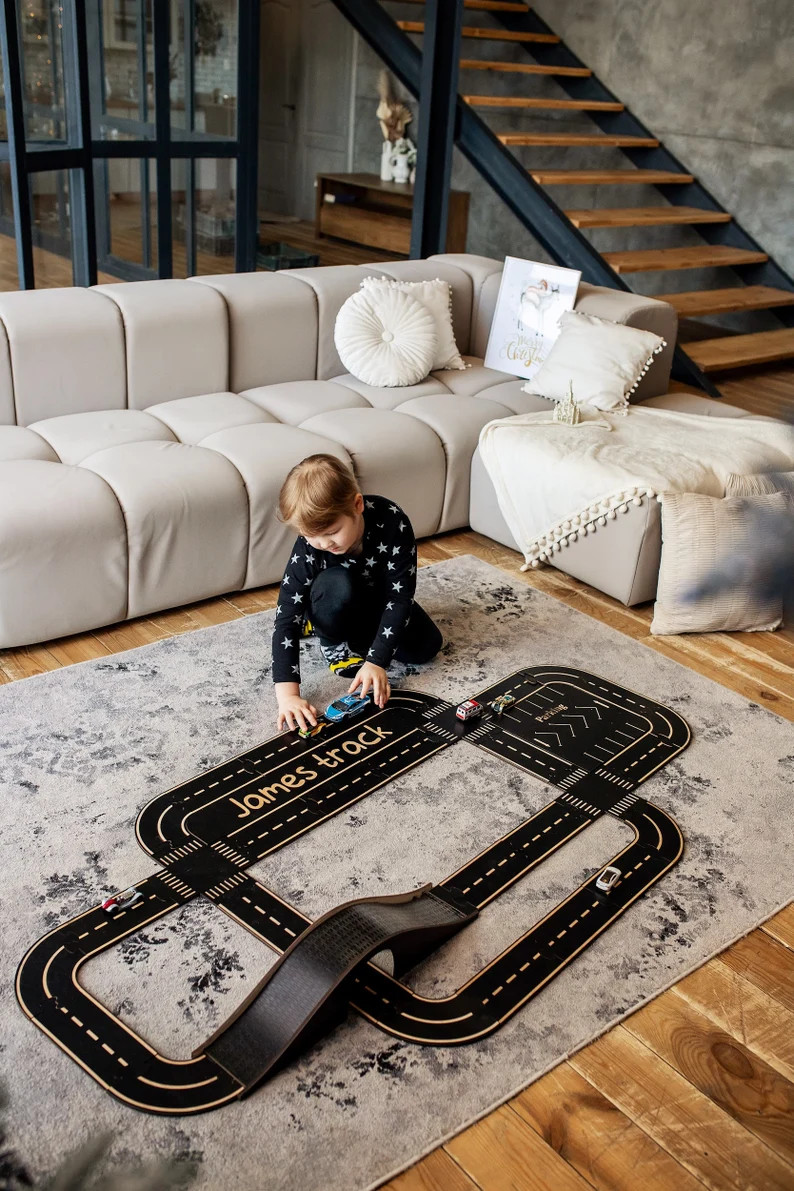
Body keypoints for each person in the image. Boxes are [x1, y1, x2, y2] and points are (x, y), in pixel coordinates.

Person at [272, 454, 443, 732]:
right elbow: (285, 619)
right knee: (340, 584)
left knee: (427, 646)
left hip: (376, 598)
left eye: (333, 532)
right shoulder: (311, 546)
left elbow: (400, 598)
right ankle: (327, 635)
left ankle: (360, 640)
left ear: (358, 504)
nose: (324, 544)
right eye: (310, 537)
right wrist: (288, 696)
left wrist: (377, 661)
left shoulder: (392, 521)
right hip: (332, 596)